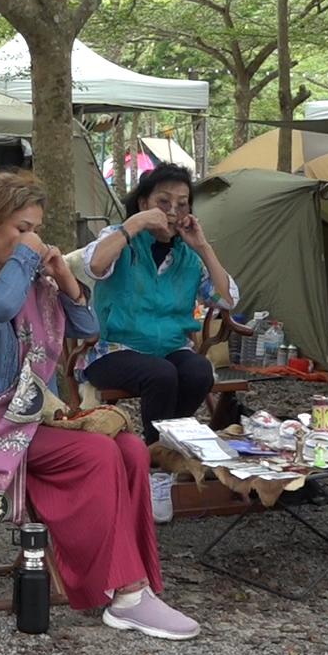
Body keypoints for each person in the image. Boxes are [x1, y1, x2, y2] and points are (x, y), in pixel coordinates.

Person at [0, 171, 200, 640]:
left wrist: (67, 279)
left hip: (23, 418)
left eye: (35, 228)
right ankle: (123, 592)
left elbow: (86, 328)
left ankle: (134, 587)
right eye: (20, 228)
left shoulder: (24, 279)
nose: (32, 239)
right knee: (98, 453)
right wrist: (28, 258)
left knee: (128, 448)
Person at [77, 162, 239, 444]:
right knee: (161, 374)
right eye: (163, 202)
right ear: (144, 203)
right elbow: (94, 265)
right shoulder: (120, 238)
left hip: (170, 349)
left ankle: (165, 445)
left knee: (199, 371)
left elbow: (226, 300)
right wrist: (136, 223)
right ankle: (157, 450)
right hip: (113, 350)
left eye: (182, 204)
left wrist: (202, 246)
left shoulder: (188, 256)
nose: (173, 212)